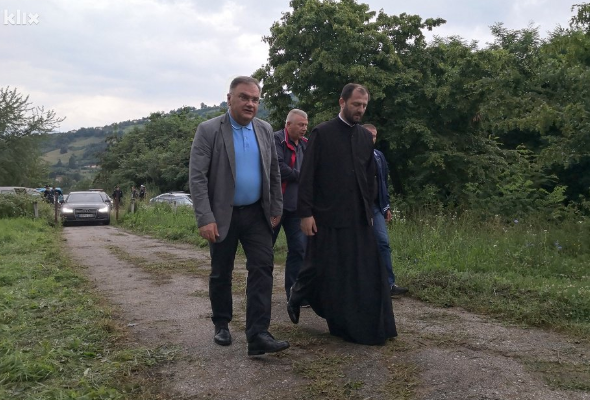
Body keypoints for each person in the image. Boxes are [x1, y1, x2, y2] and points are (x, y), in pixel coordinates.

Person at [287, 83, 397, 345]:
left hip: (359, 216)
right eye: (356, 104)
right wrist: (306, 213)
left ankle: (360, 325)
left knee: (362, 271)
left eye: (364, 105)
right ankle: (297, 294)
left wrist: (370, 209)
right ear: (342, 102)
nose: (360, 109)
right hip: (327, 215)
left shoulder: (364, 137)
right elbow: (308, 176)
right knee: (321, 266)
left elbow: (369, 177)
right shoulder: (322, 133)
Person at [189, 76, 289, 356]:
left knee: (263, 268)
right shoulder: (209, 130)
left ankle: (258, 334)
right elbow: (197, 178)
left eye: (255, 99)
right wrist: (205, 217)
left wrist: (276, 208)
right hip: (222, 214)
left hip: (257, 213)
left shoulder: (264, 129)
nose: (250, 104)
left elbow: (274, 172)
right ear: (229, 98)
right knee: (222, 271)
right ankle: (221, 323)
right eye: (244, 97)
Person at [363, 124, 409, 297]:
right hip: (357, 208)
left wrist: (386, 205)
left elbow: (383, 182)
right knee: (359, 246)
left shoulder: (378, 156)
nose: (372, 139)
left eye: (374, 136)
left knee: (383, 242)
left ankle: (388, 284)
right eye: (369, 135)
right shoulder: (353, 155)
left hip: (376, 206)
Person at [272, 109, 309, 301]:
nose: (304, 128)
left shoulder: (305, 144)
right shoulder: (276, 140)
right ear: (288, 125)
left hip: (296, 207)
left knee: (299, 249)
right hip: (275, 205)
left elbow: (313, 169)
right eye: (300, 125)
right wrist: (302, 176)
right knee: (264, 250)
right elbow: (278, 168)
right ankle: (260, 291)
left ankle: (293, 295)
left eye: (306, 125)